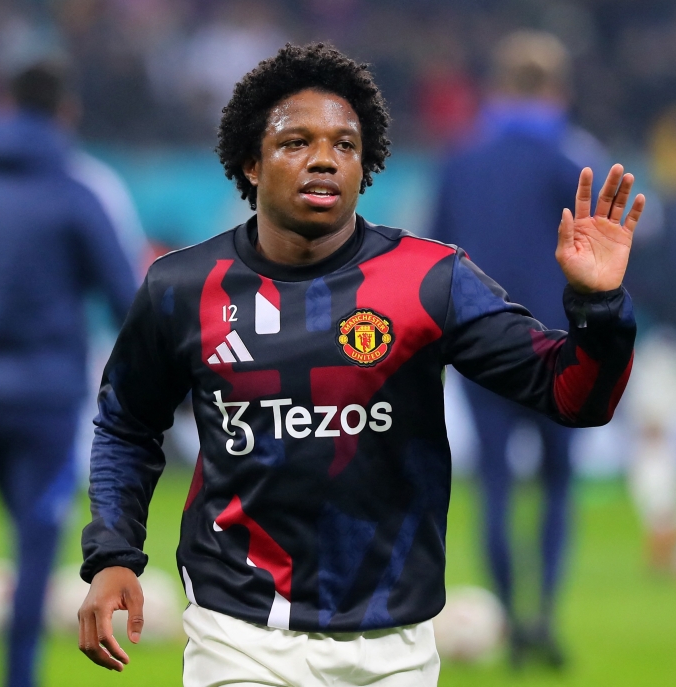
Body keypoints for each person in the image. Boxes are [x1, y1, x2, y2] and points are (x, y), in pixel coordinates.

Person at [77, 43, 642, 687]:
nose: (324, 157)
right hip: (238, 633)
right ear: (250, 164)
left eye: (345, 144)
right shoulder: (181, 286)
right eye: (296, 142)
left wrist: (598, 306)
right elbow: (127, 423)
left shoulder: (432, 280)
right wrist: (113, 556)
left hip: (392, 648)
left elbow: (573, 397)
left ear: (366, 165)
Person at [0, 63, 137, 687]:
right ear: (65, 114)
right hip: (47, 394)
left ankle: (18, 636)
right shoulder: (73, 192)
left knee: (29, 526)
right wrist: (155, 380)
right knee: (42, 532)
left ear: (7, 109)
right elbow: (126, 298)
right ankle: (18, 675)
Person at [430, 31, 595, 667]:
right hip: (562, 344)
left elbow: (437, 255)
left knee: (495, 484)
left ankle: (505, 622)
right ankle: (544, 617)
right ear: (557, 89)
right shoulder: (575, 159)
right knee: (557, 484)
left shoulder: (463, 159)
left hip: (484, 344)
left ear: (498, 86)